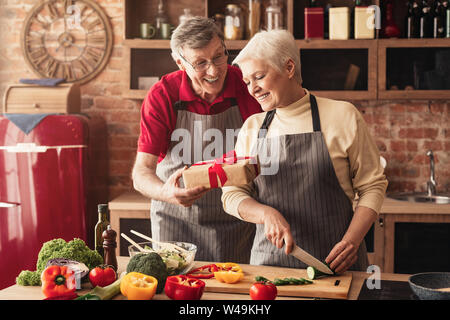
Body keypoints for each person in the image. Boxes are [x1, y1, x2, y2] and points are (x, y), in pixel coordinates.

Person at [221, 29, 388, 273]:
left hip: (337, 266)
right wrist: (265, 214)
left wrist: (352, 241)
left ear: (289, 68)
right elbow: (231, 194)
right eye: (247, 82)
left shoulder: (342, 116)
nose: (252, 89)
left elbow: (372, 186)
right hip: (271, 270)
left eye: (259, 77)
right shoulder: (252, 128)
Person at [132, 17, 261, 263]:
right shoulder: (163, 95)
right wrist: (166, 192)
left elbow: (270, 151)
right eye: (200, 63)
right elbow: (141, 173)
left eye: (218, 57)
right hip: (176, 222)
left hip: (237, 221)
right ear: (180, 62)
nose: (213, 71)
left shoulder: (246, 84)